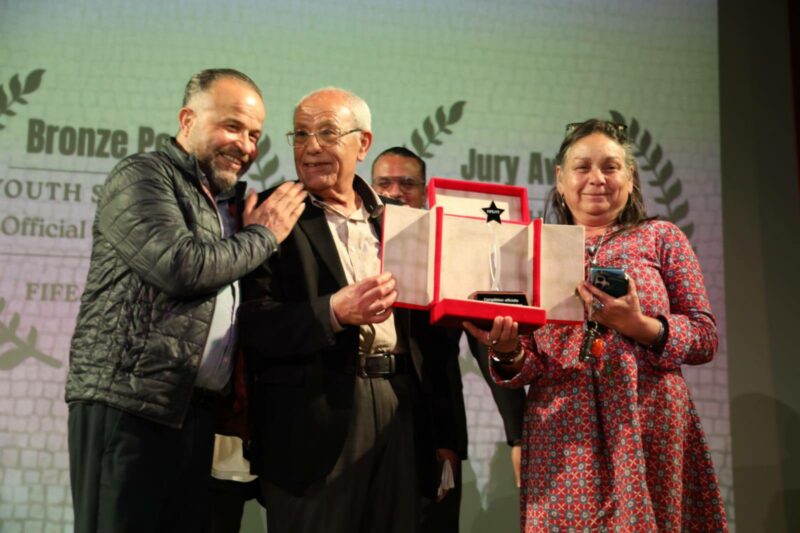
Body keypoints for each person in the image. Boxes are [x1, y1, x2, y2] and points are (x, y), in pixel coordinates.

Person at [65, 68, 307, 533]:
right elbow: (180, 267)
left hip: (194, 413)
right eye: (232, 126)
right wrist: (265, 235)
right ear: (187, 120)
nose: (245, 145)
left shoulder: (229, 204)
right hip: (128, 403)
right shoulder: (142, 175)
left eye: (254, 135)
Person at [464, 119, 729, 531]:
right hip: (564, 432)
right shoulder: (531, 250)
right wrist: (507, 349)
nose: (596, 179)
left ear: (630, 177)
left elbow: (704, 337)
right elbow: (527, 364)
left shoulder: (662, 237)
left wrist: (638, 325)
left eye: (610, 167)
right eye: (582, 167)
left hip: (647, 422)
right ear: (560, 178)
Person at [238, 87, 455, 533]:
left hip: (399, 408)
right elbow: (254, 325)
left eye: (327, 133)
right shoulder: (275, 213)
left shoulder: (400, 220)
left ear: (363, 143)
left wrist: (443, 432)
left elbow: (433, 345)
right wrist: (333, 311)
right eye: (300, 134)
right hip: (313, 419)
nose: (311, 147)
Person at [371, 146, 526, 532]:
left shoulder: (450, 254)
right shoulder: (353, 246)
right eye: (384, 183)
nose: (395, 192)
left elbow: (485, 341)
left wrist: (518, 435)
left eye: (407, 183)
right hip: (363, 424)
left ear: (425, 193)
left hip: (437, 431)